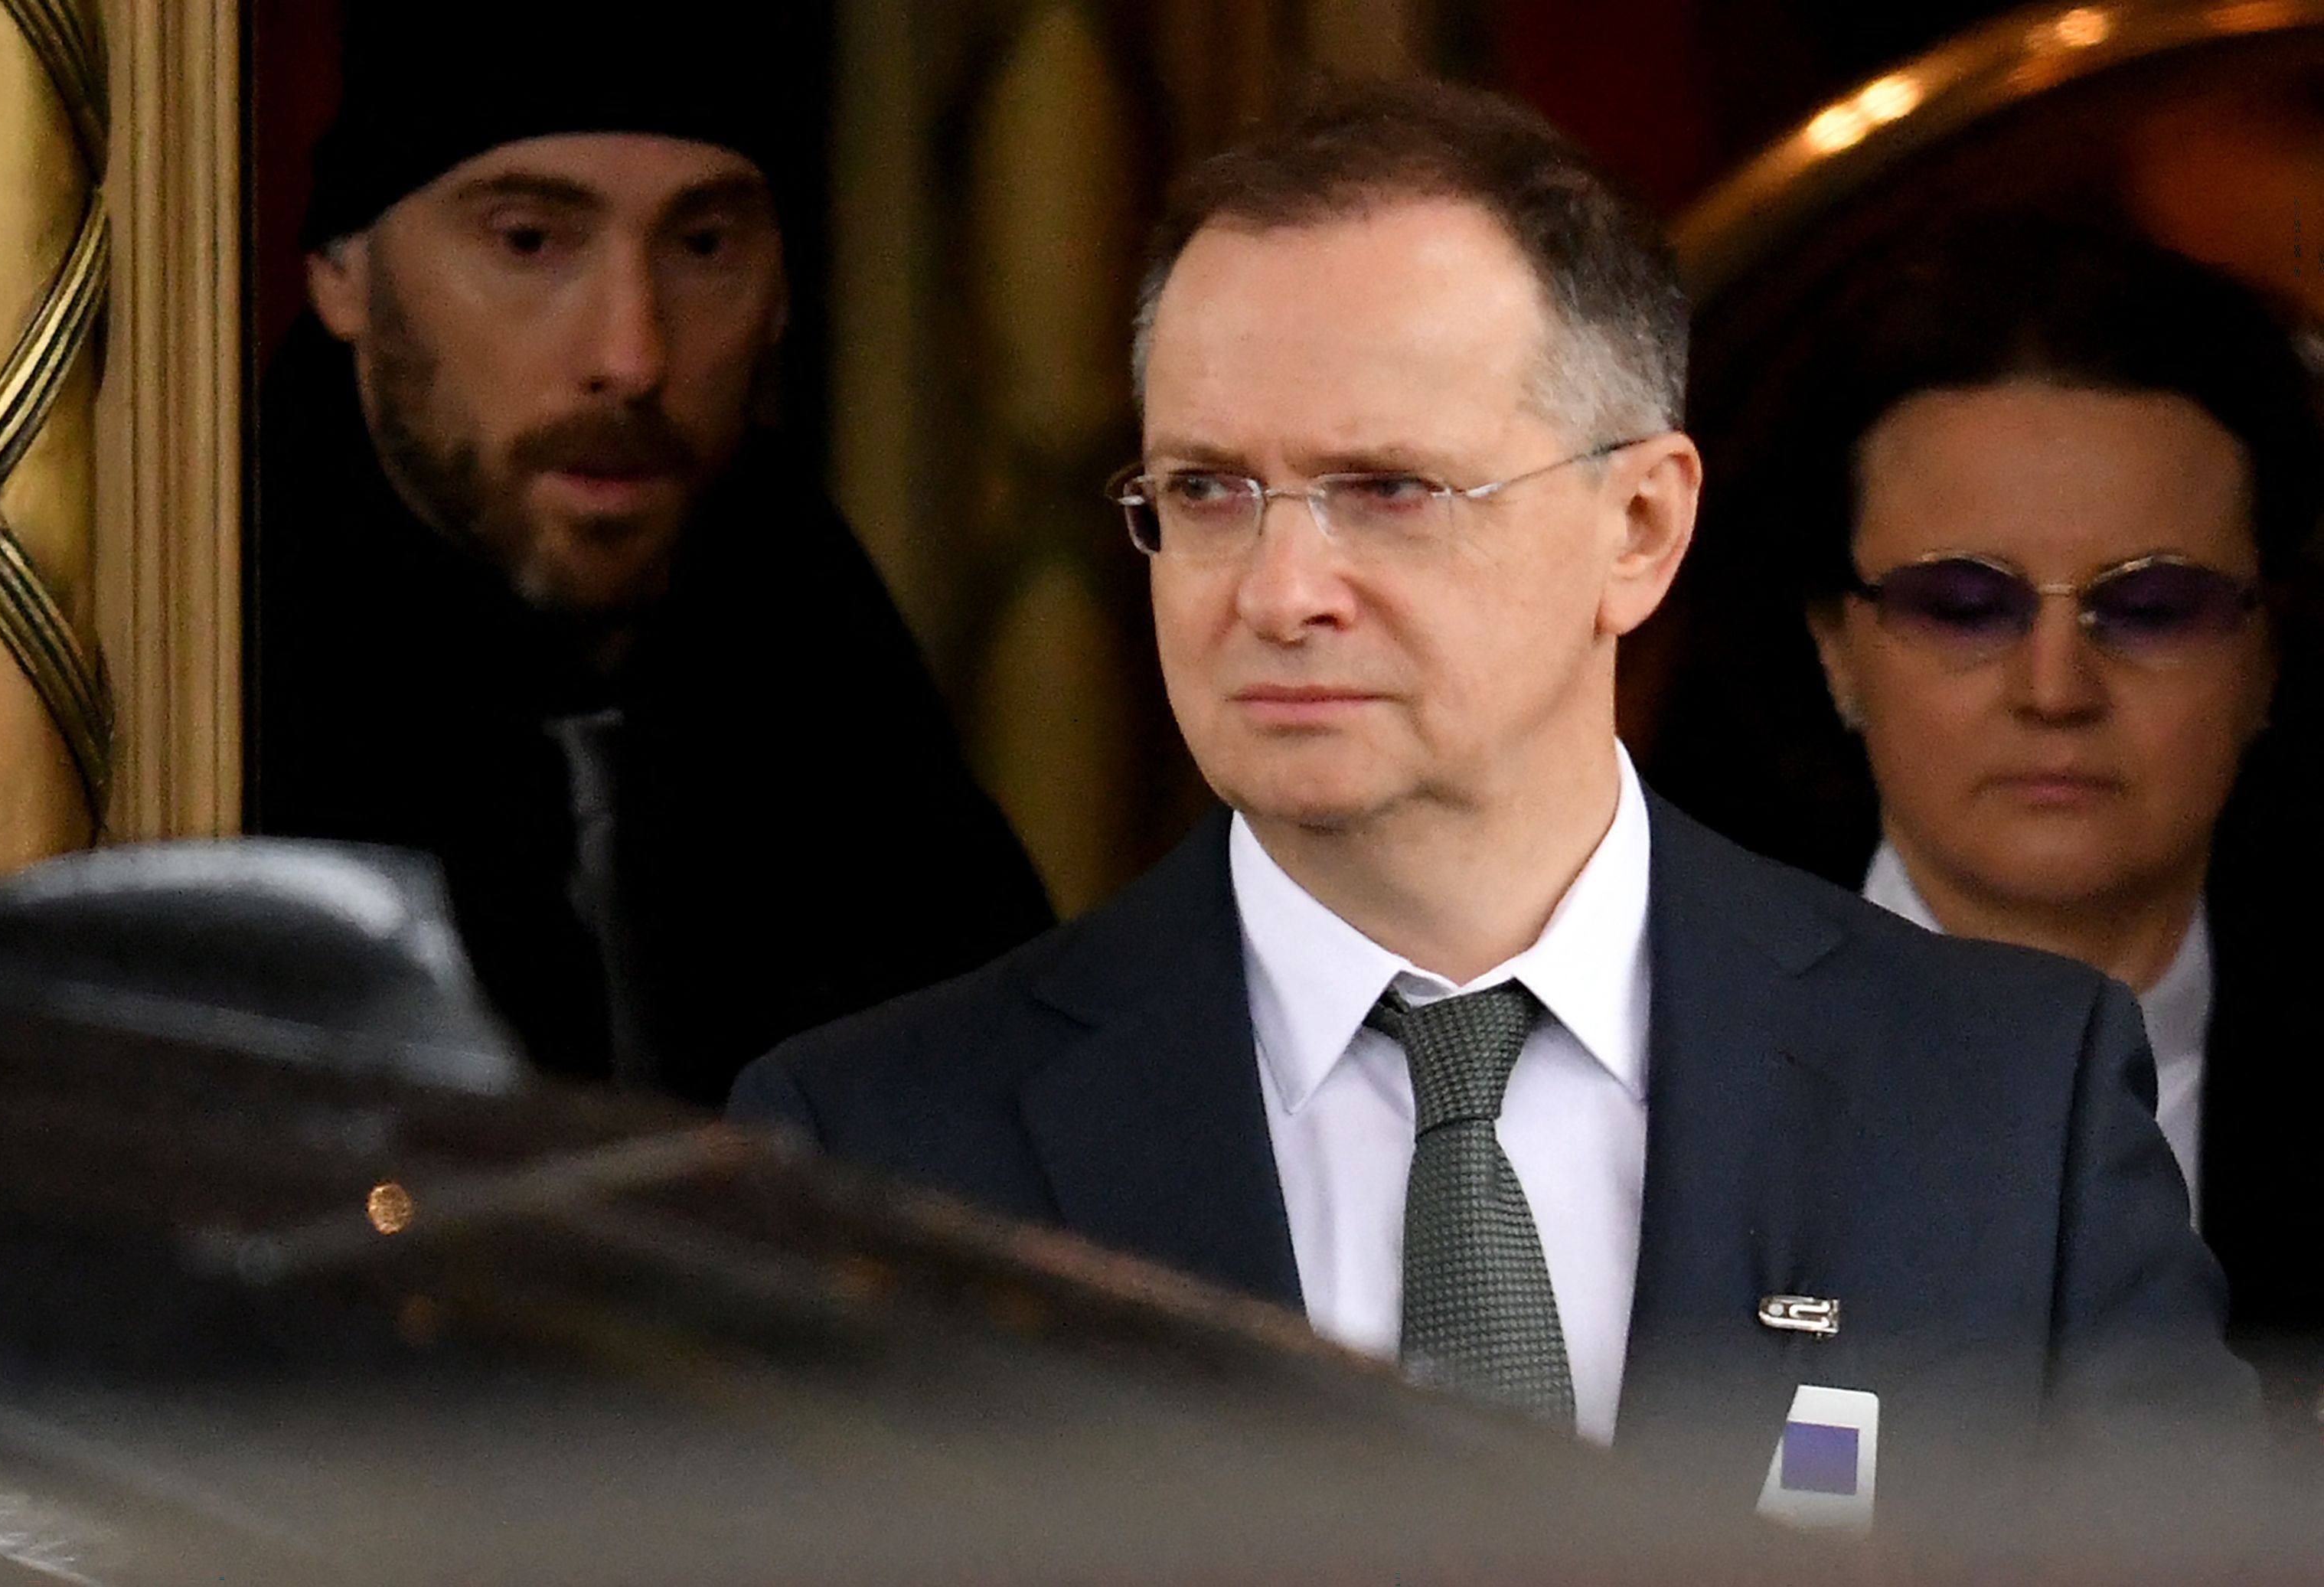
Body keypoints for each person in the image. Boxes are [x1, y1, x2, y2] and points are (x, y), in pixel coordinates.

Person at [731, 81, 2253, 1519]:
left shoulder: (2007, 1106)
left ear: (1638, 526)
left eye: (1388, 489)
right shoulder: (871, 1148)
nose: (1277, 591)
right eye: (1206, 490)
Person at [255, 1, 1053, 1107]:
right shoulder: (206, 651)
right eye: (529, 242)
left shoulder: (823, 657)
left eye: (704, 247)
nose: (633, 357)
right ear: (342, 270)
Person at [1786, 218, 2324, 1429]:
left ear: (2267, 656)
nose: (2055, 690)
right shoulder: (1636, 1052)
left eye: (2154, 607)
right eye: (1963, 605)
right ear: (1835, 645)